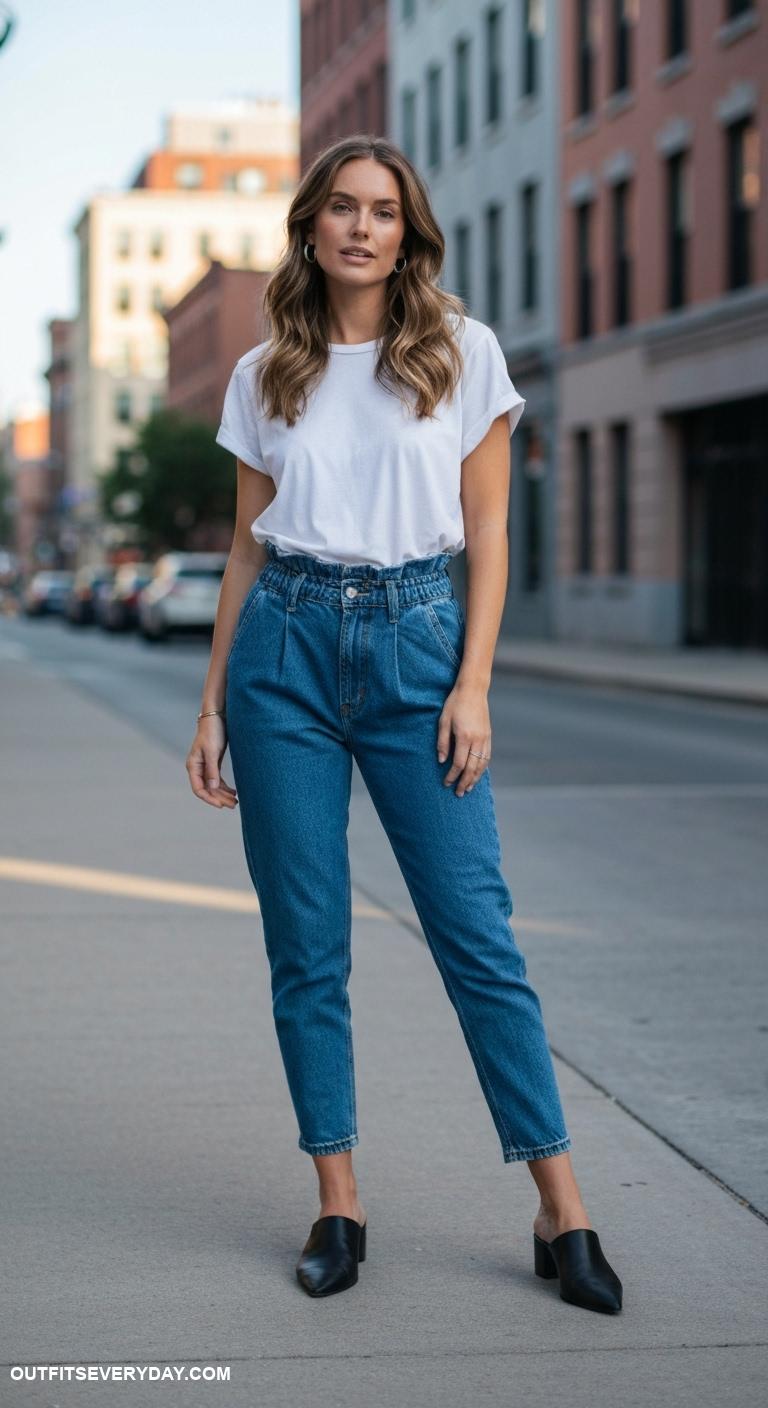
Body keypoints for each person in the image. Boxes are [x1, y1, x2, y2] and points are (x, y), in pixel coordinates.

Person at [186, 135, 622, 1314]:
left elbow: (492, 533)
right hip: (281, 652)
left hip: (418, 644)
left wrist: (472, 683)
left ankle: (562, 1206)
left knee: (477, 934)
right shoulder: (265, 372)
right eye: (342, 207)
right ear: (312, 226)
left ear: (408, 231)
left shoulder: (460, 352)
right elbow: (245, 551)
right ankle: (338, 1201)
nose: (362, 227)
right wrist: (213, 703)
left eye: (383, 210)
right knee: (306, 943)